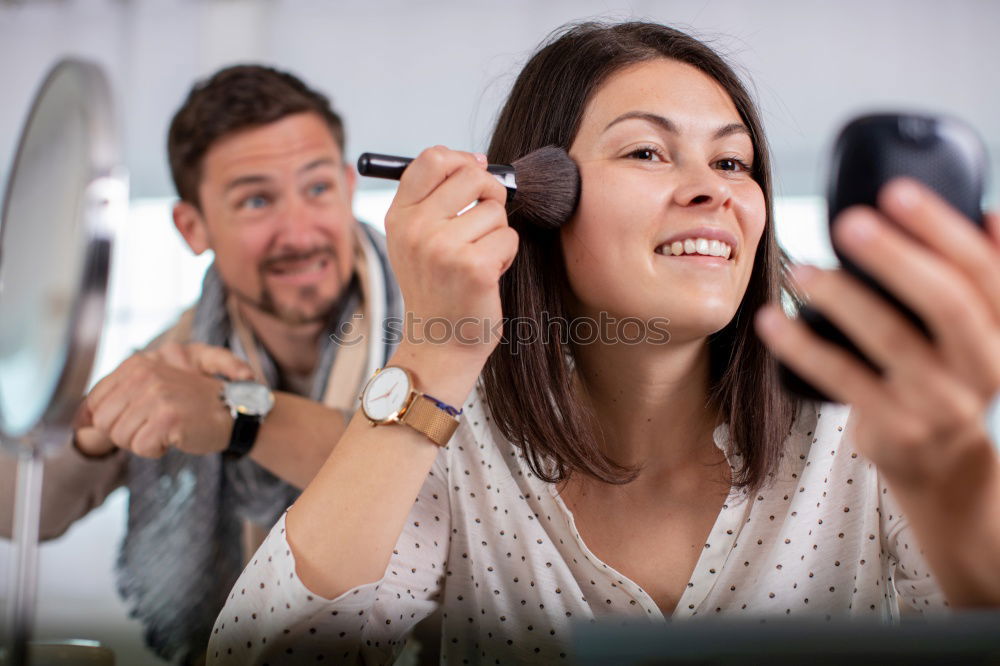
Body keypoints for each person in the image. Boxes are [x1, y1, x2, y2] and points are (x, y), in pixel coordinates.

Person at [207, 22, 1000, 665]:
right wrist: (432, 350)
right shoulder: (453, 439)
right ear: (535, 202)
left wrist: (953, 474)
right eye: (647, 152)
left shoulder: (867, 431)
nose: (713, 189)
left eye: (733, 160)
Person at [0, 65, 401, 664]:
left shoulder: (441, 319)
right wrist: (96, 429)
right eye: (257, 200)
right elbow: (20, 516)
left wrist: (238, 417)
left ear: (348, 186)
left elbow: (428, 485)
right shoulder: (178, 353)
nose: (299, 231)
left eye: (318, 188)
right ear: (192, 227)